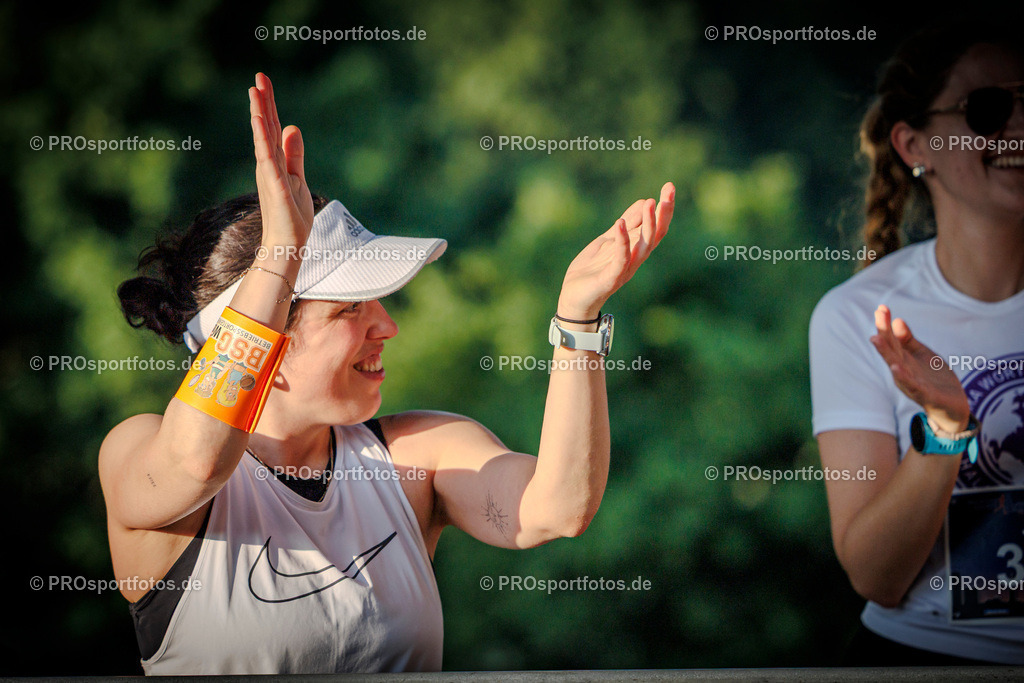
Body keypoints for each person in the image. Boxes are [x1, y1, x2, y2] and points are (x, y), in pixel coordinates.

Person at [99, 72, 675, 674]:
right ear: (267, 333)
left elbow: (557, 507)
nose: (387, 327)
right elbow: (197, 462)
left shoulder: (412, 457)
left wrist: (578, 318)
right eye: (350, 307)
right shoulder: (136, 452)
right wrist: (279, 259)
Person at [810, 21, 1024, 665]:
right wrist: (944, 429)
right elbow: (875, 575)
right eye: (988, 108)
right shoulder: (857, 317)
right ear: (913, 144)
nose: (1019, 125)